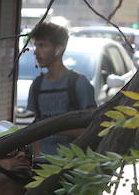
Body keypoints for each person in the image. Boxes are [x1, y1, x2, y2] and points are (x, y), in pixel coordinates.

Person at [25, 19, 95, 158]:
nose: (36, 52)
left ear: (59, 49)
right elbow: (35, 129)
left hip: (73, 167)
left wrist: (53, 129)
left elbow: (93, 128)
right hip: (43, 167)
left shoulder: (78, 83)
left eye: (42, 46)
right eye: (36, 46)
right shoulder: (37, 85)